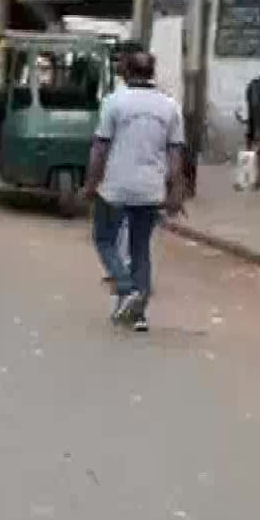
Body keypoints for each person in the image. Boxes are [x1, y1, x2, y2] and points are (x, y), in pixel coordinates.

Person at [82, 50, 185, 332]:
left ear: (125, 73)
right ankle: (138, 315)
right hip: (151, 190)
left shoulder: (114, 102)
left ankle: (127, 290)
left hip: (115, 187)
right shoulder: (169, 107)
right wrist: (176, 191)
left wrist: (91, 184)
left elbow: (100, 148)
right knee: (140, 249)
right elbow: (175, 154)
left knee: (104, 239)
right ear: (151, 73)